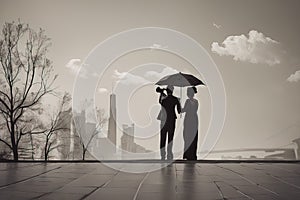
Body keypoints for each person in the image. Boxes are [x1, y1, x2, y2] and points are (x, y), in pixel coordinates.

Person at [158, 85, 181, 160]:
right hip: (172, 120)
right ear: (173, 90)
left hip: (164, 120)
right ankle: (169, 154)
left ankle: (162, 155)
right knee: (170, 138)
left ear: (167, 91)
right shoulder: (175, 99)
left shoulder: (164, 99)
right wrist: (179, 102)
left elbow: (160, 102)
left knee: (163, 138)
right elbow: (179, 111)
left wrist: (161, 93)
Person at [181, 86, 198, 160]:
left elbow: (184, 110)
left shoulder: (188, 101)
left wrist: (179, 105)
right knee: (193, 137)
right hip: (194, 119)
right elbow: (194, 110)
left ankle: (187, 154)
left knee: (187, 136)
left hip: (188, 120)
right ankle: (193, 154)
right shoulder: (196, 101)